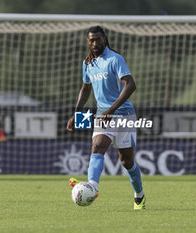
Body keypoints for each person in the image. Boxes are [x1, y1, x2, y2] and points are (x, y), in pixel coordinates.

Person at [67, 26, 145, 210]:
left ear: (104, 39)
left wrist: (112, 109)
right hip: (104, 114)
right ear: (88, 41)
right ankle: (92, 186)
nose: (95, 43)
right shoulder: (87, 63)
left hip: (123, 114)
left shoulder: (115, 59)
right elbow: (85, 88)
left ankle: (139, 195)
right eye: (91, 40)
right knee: (97, 146)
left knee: (126, 161)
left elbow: (131, 85)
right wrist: (77, 113)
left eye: (98, 39)